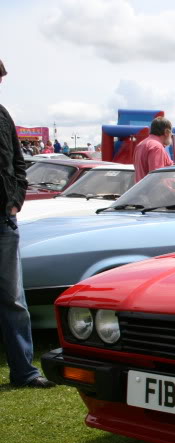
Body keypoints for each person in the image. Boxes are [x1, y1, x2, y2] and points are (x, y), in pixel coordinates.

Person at [0, 59, 56, 388]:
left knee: (14, 301)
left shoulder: (3, 115)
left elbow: (18, 163)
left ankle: (24, 372)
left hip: (4, 221)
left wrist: (15, 199)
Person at [133, 116, 174, 181]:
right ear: (166, 132)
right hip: (154, 190)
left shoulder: (140, 144)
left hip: (141, 189)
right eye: (171, 132)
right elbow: (156, 178)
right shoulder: (157, 147)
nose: (171, 135)